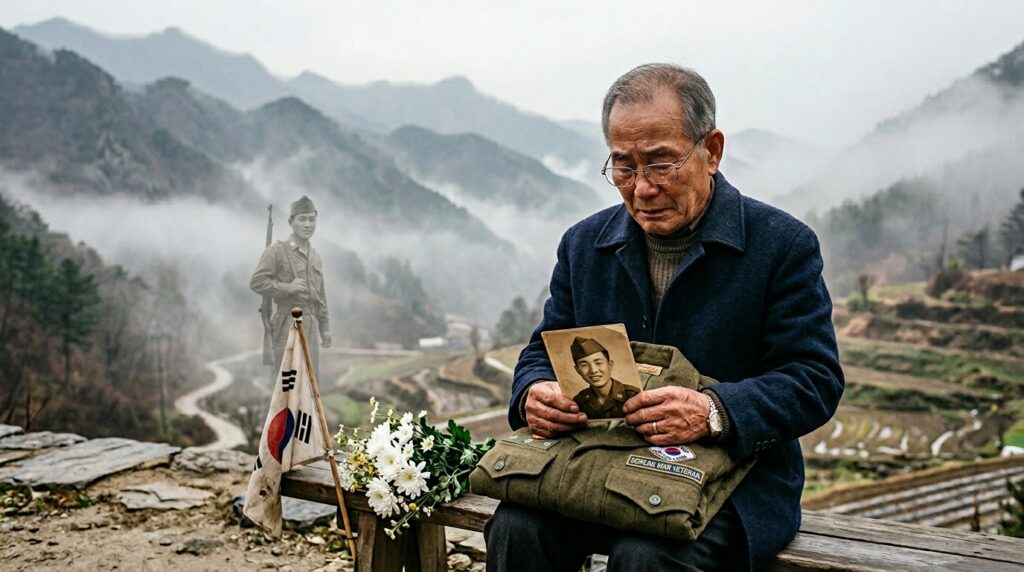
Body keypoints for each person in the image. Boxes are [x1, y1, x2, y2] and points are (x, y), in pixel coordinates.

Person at [485, 64, 844, 571]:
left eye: (660, 164)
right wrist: (534, 393)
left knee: (647, 558)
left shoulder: (780, 246)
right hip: (598, 462)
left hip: (732, 476)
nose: (642, 188)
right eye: (624, 167)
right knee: (517, 529)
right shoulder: (585, 245)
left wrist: (714, 410)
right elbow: (543, 350)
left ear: (712, 151)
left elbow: (814, 378)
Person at [250, 196, 332, 378]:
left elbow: (321, 296)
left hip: (311, 325)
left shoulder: (315, 256)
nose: (308, 225)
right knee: (286, 387)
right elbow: (256, 281)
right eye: (302, 219)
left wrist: (324, 327)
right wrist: (287, 288)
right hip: (287, 322)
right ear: (291, 222)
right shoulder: (277, 251)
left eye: (312, 219)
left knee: (310, 387)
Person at [568, 336, 639, 418]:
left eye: (598, 363)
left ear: (610, 365)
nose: (593, 370)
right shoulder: (579, 401)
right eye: (584, 365)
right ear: (577, 370)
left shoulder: (632, 395)